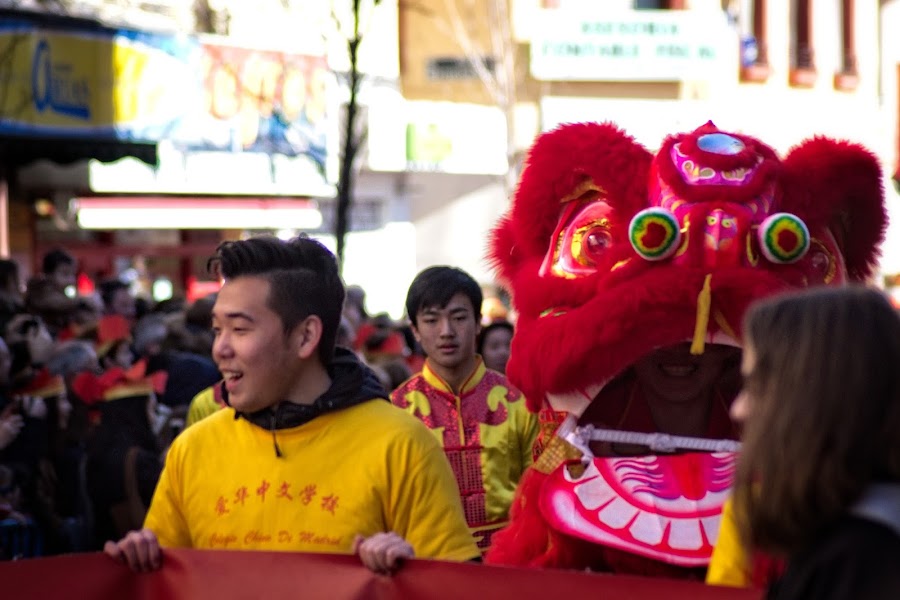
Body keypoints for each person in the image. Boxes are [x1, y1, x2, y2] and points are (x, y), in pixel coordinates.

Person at [103, 235, 479, 573]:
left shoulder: (402, 445)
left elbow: (456, 585)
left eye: (240, 329)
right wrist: (139, 560)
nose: (220, 349)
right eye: (217, 330)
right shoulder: (192, 450)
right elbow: (167, 578)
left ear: (305, 336)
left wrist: (411, 575)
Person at [727, 286, 900, 598]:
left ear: (813, 397)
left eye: (755, 386)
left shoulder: (860, 558)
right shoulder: (856, 542)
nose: (738, 409)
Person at [391, 266, 539, 552]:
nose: (446, 331)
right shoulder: (397, 409)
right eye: (431, 320)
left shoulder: (520, 402)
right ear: (415, 330)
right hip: (429, 560)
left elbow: (540, 489)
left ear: (478, 322)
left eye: (459, 318)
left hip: (510, 559)